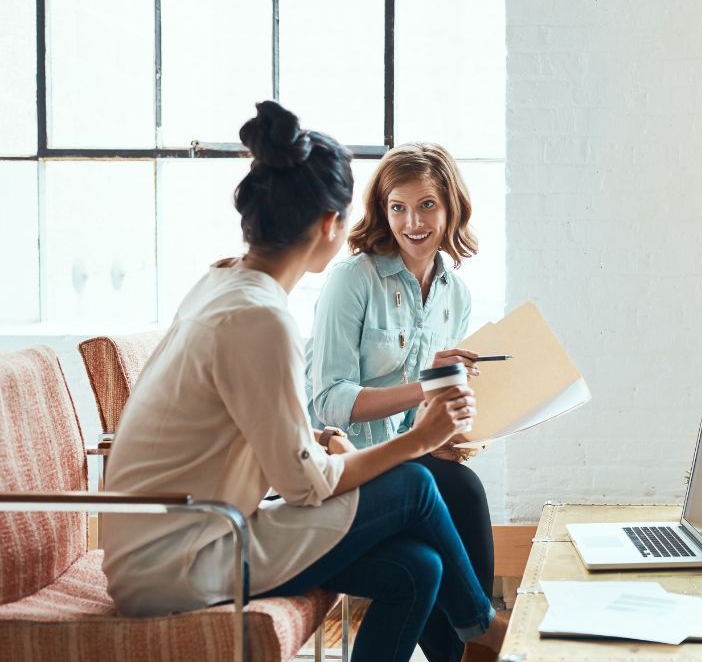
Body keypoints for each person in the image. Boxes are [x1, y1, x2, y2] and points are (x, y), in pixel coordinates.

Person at [100, 101, 506, 662]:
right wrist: (419, 438)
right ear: (328, 225)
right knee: (416, 484)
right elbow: (303, 487)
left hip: (181, 541)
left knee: (418, 568)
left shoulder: (225, 283)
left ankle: (475, 627)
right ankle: (484, 629)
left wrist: (319, 442)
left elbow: (249, 432)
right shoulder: (261, 317)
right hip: (186, 558)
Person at [306, 142, 493, 662]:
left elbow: (418, 418)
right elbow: (328, 402)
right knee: (462, 492)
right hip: (345, 466)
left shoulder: (456, 293)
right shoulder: (352, 280)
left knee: (446, 502)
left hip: (407, 462)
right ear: (382, 211)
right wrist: (430, 387)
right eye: (398, 207)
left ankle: (469, 645)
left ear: (451, 207)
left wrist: (449, 431)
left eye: (427, 205)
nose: (413, 222)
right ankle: (480, 639)